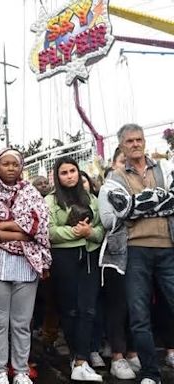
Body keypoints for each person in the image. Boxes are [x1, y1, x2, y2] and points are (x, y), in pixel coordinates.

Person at [98, 123, 174, 384]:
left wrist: (135, 204)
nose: (135, 144)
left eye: (139, 139)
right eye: (129, 141)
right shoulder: (114, 179)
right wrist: (157, 201)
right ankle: (151, 374)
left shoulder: (164, 169)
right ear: (121, 146)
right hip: (134, 250)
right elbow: (115, 215)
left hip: (168, 247)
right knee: (139, 315)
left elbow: (167, 201)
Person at [0, 148, 51, 384]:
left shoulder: (31, 193)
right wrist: (20, 230)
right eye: (5, 164)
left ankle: (21, 371)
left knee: (21, 323)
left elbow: (39, 226)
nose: (10, 168)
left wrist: (0, 228)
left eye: (14, 165)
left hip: (26, 265)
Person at [45, 156, 104, 382]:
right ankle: (76, 360)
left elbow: (101, 228)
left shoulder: (90, 197)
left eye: (73, 171)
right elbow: (49, 230)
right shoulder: (50, 200)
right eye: (64, 172)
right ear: (57, 176)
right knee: (70, 309)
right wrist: (76, 234)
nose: (69, 176)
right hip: (64, 258)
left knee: (88, 309)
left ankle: (82, 360)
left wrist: (91, 234)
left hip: (89, 256)